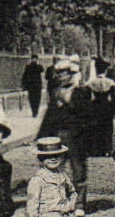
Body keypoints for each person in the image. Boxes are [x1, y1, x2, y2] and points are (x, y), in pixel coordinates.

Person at [36, 58, 94, 201]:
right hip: (58, 135)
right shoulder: (55, 92)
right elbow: (49, 115)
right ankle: (58, 198)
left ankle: (79, 202)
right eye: (59, 73)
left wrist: (68, 101)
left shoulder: (82, 91)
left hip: (75, 136)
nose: (61, 76)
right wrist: (41, 135)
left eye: (64, 73)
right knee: (55, 167)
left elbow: (87, 114)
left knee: (78, 168)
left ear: (71, 74)